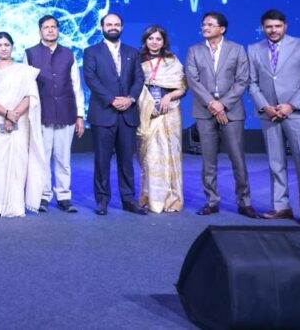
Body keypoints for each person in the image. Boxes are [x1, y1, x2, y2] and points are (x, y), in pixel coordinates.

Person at [248, 9, 300, 226]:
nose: (273, 30)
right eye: (269, 26)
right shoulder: (253, 49)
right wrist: (265, 106)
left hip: (297, 112)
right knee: (275, 162)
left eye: (277, 26)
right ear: (263, 28)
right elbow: (251, 83)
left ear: (285, 26)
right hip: (269, 114)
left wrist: (291, 105)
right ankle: (281, 206)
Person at [185, 11, 258, 218]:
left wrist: (223, 104)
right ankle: (212, 201)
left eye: (210, 24)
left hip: (231, 111)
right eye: (204, 24)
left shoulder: (237, 49)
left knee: (237, 158)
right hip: (204, 110)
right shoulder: (194, 50)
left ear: (222, 29)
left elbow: (242, 80)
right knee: (208, 160)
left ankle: (244, 202)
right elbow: (192, 80)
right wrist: (212, 104)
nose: (205, 27)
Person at [83, 12, 146, 216]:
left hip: (128, 113)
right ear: (102, 27)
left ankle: (128, 199)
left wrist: (130, 99)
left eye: (116, 24)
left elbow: (139, 78)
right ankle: (102, 200)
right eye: (109, 24)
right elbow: (91, 79)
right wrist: (112, 99)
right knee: (102, 160)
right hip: (103, 113)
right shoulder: (91, 52)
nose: (113, 27)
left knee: (126, 160)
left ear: (122, 27)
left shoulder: (132, 52)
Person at [0, 32, 45, 218]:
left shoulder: (23, 70)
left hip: (19, 120)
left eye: (6, 45)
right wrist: (6, 113)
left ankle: (15, 205)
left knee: (18, 162)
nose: (3, 48)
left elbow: (30, 96)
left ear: (12, 47)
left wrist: (13, 115)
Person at [24, 14, 85, 213]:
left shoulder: (68, 54)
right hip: (41, 113)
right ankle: (43, 196)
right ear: (40, 31)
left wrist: (80, 115)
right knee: (42, 157)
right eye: (46, 27)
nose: (50, 30)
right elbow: (25, 86)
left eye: (53, 27)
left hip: (66, 112)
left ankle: (64, 196)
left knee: (63, 158)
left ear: (58, 30)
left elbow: (76, 86)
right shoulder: (30, 54)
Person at [136, 25, 187, 213]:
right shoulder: (138, 60)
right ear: (145, 40)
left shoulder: (172, 60)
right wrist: (148, 105)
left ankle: (171, 199)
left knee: (170, 155)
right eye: (151, 39)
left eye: (158, 39)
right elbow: (133, 86)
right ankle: (150, 198)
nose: (154, 42)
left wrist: (169, 97)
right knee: (150, 157)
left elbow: (182, 87)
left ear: (164, 41)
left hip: (169, 113)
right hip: (146, 113)